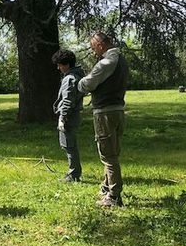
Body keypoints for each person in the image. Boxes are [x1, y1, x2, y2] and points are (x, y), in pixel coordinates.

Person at [77, 32, 129, 207]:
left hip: (105, 112)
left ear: (100, 44)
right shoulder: (121, 60)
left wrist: (80, 82)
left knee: (108, 155)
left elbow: (89, 83)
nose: (94, 52)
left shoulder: (107, 62)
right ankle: (106, 187)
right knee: (113, 152)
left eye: (93, 48)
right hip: (119, 110)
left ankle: (114, 196)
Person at [51, 48, 85, 183]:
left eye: (59, 65)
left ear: (66, 65)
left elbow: (67, 101)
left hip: (69, 116)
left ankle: (74, 174)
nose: (58, 68)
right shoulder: (75, 76)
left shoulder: (70, 79)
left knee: (69, 145)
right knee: (68, 145)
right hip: (72, 115)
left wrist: (62, 118)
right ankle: (74, 171)